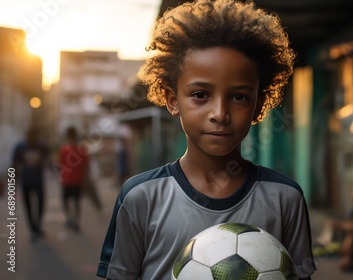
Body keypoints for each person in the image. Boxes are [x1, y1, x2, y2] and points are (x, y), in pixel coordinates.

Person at [96, 1, 316, 279]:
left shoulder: (285, 198)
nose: (220, 114)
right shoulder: (141, 197)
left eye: (239, 97)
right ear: (173, 100)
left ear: (258, 106)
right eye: (201, 95)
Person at [12, 127, 49, 242]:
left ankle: (37, 226)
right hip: (26, 180)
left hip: (37, 180)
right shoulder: (21, 147)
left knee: (41, 203)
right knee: (28, 205)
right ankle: (33, 229)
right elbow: (14, 163)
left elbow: (48, 158)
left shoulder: (42, 146)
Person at [58, 126, 89, 233]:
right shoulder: (82, 149)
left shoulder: (64, 149)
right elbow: (86, 165)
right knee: (77, 201)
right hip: (78, 179)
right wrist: (85, 179)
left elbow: (60, 164)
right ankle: (76, 220)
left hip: (66, 179)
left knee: (65, 199)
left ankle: (69, 218)